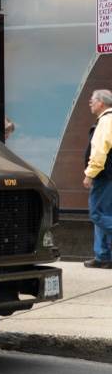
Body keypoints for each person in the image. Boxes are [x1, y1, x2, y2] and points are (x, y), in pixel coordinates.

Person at [83, 89, 112, 269]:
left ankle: (103, 255)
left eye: (92, 100)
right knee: (105, 214)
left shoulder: (106, 121)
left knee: (97, 214)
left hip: (104, 175)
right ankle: (103, 256)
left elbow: (100, 151)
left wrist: (90, 174)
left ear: (101, 103)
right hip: (108, 175)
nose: (90, 103)